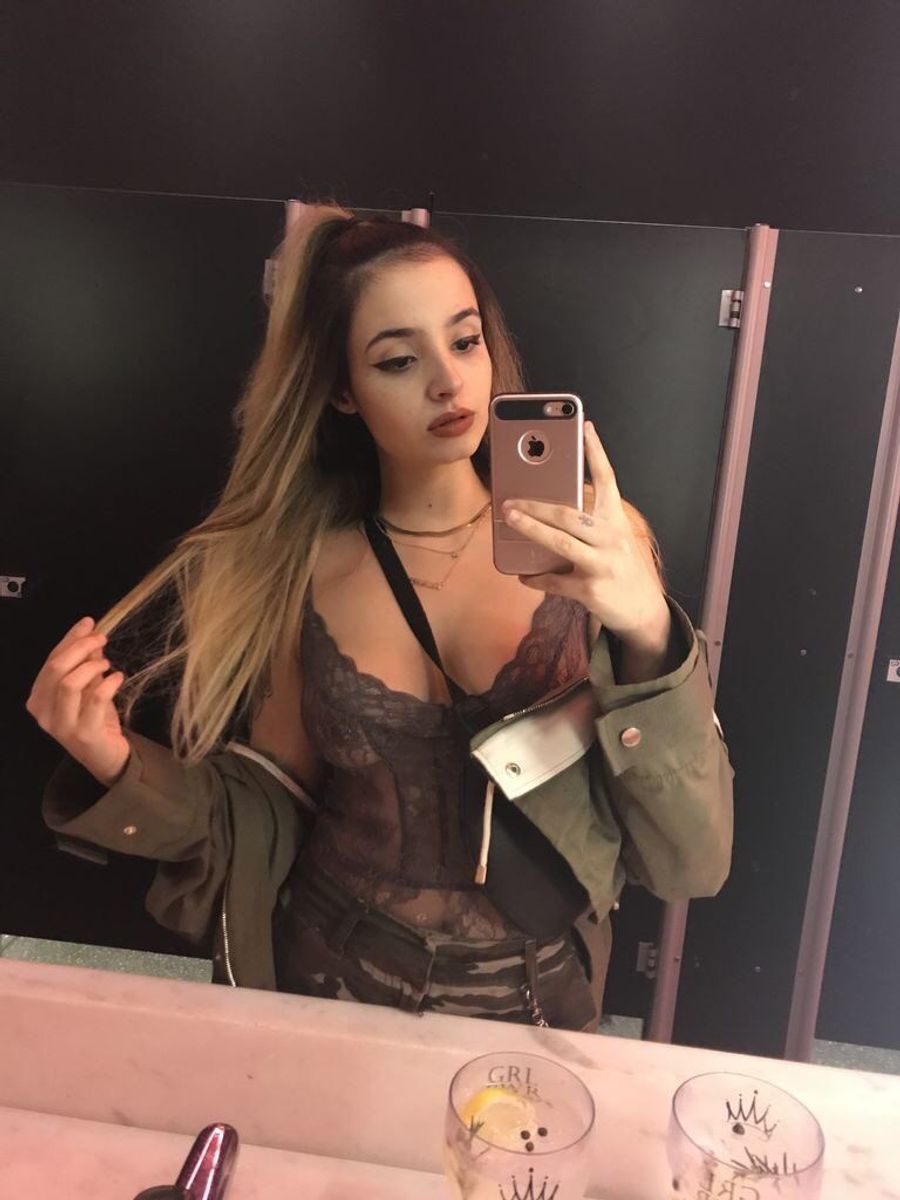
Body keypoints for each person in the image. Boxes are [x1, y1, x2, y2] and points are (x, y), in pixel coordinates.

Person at [26, 203, 734, 1032]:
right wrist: (114, 761)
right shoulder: (308, 570)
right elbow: (267, 808)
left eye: (464, 341)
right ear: (343, 391)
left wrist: (647, 629)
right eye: (398, 359)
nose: (448, 382)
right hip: (331, 975)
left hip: (539, 996)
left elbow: (692, 862)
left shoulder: (598, 544)